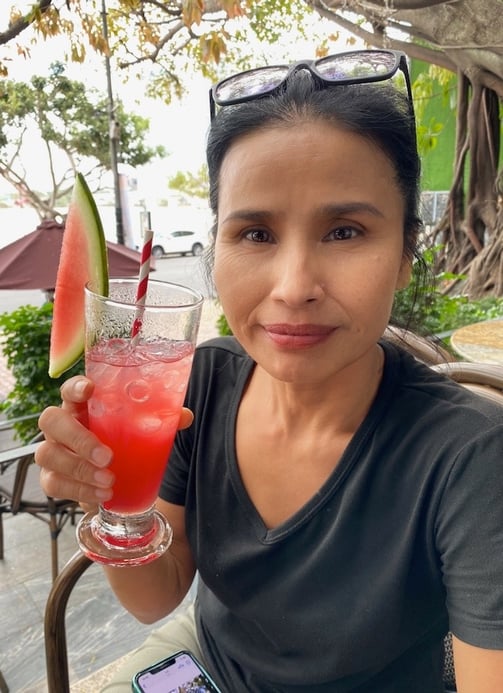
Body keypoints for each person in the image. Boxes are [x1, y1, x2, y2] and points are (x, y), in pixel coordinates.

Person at [36, 50, 503, 692]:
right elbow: (156, 596)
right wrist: (111, 496)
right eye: (255, 234)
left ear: (403, 256)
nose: (294, 287)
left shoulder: (470, 456)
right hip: (206, 663)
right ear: (217, 247)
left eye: (344, 231)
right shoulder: (201, 382)